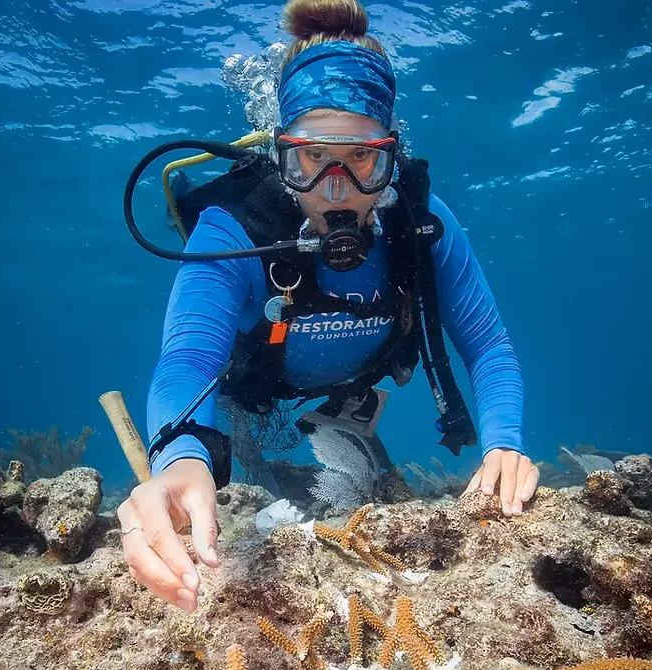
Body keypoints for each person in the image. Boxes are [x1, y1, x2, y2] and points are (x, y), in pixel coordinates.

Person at [117, 0, 539, 613]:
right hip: (252, 384)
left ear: (390, 154)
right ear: (284, 153)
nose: (336, 189)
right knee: (238, 505)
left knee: (354, 499)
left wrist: (504, 441)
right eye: (314, 157)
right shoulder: (234, 228)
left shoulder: (423, 224)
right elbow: (187, 358)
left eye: (361, 158)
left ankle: (346, 414)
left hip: (359, 375)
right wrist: (182, 459)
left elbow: (489, 346)